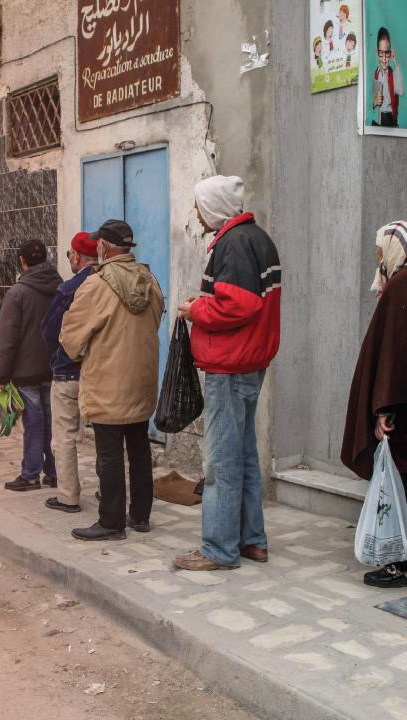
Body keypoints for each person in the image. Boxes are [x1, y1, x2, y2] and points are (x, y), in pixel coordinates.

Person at [173, 176, 281, 571]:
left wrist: (194, 310)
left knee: (220, 461)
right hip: (250, 361)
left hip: (231, 364)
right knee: (244, 455)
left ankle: (219, 548)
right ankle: (252, 541)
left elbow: (238, 306)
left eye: (200, 205)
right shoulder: (256, 238)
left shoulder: (234, 243)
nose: (196, 213)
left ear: (214, 207)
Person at [61, 220, 164, 540]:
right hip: (141, 380)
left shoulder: (96, 284)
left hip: (107, 381)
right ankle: (141, 516)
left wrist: (86, 355)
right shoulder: (150, 280)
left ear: (104, 246)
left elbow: (71, 336)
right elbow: (157, 320)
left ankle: (111, 522)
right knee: (139, 449)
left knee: (109, 453)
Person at [342, 221, 407, 588]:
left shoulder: (401, 286)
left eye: (381, 252)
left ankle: (401, 562)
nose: (378, 260)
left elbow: (395, 357)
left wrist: (385, 409)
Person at [0, 239, 62, 491]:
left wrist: (0, 375)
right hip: (54, 368)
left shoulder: (17, 293)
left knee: (33, 423)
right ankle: (54, 472)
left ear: (22, 261)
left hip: (26, 372)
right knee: (51, 421)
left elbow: (6, 339)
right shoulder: (61, 287)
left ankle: (31, 474)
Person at [40, 232, 98, 512]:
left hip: (68, 372)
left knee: (64, 435)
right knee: (107, 436)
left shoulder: (69, 288)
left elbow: (50, 331)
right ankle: (108, 491)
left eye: (70, 255)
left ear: (76, 256)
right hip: (99, 371)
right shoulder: (106, 285)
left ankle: (68, 495)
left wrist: (60, 355)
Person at [373, 27, 403, 128]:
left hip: (391, 117)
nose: (385, 58)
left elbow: (401, 91)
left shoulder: (393, 74)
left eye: (387, 53)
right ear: (377, 53)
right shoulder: (376, 74)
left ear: (390, 53)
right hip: (380, 116)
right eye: (382, 53)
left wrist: (395, 63)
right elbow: (374, 99)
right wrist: (375, 102)